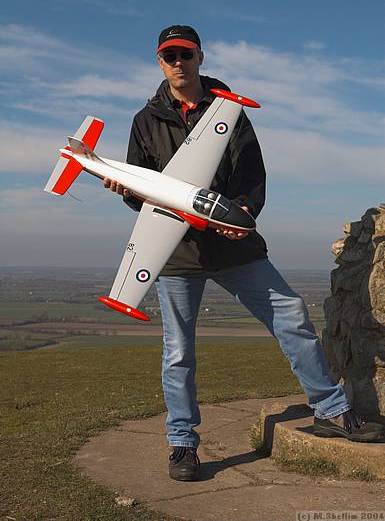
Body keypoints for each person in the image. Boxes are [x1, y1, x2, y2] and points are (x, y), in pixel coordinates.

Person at [104, 25, 385, 481]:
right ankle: (182, 444)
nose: (179, 62)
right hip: (176, 253)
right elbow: (141, 192)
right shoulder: (145, 120)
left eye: (186, 54)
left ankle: (330, 410)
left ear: (200, 57)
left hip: (234, 245)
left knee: (291, 313)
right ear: (159, 62)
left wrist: (243, 214)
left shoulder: (228, 111)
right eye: (169, 55)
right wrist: (124, 188)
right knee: (178, 351)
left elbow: (252, 175)